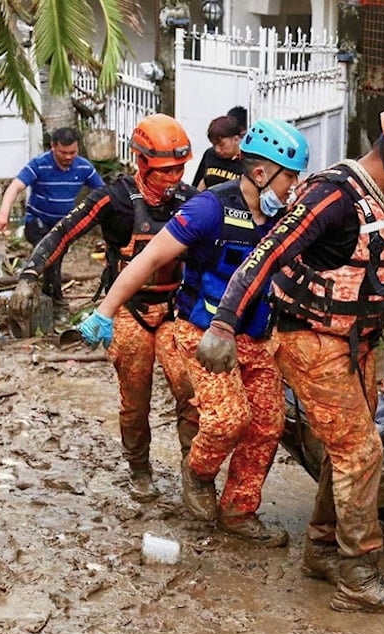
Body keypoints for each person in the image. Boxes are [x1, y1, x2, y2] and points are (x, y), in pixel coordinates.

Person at [195, 96, 384, 614]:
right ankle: (359, 573)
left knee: (349, 450)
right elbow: (266, 253)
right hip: (311, 340)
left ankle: (321, 548)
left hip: (353, 342)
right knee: (363, 452)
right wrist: (223, 325)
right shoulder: (332, 195)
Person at [80, 118, 309, 547]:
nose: (294, 187)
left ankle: (239, 510)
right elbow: (147, 259)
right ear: (261, 174)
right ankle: (198, 473)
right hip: (201, 334)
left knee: (266, 425)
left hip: (256, 338)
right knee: (227, 419)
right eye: (290, 177)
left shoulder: (286, 218)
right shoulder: (209, 208)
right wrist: (106, 311)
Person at [9, 114, 199, 502]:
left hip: (175, 309)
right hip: (129, 309)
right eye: (165, 170)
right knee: (135, 399)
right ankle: (139, 467)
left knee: (191, 392)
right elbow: (64, 232)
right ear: (142, 161)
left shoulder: (191, 200)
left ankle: (194, 472)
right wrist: (30, 275)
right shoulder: (113, 199)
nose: (174, 177)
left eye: (180, 168)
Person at [0, 127, 105, 306]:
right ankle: (55, 300)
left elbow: (103, 192)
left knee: (51, 260)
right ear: (53, 147)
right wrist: (3, 214)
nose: (68, 157)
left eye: (72, 152)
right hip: (37, 222)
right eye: (63, 152)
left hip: (63, 226)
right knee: (50, 256)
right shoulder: (39, 164)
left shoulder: (83, 167)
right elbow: (15, 187)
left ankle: (44, 294)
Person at [190, 115, 245, 191]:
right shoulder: (210, 154)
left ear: (236, 139)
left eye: (221, 145)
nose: (217, 150)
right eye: (214, 144)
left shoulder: (247, 162)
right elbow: (199, 184)